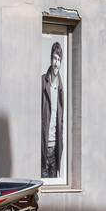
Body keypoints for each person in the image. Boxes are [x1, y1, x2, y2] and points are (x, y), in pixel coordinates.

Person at [41, 41, 65, 179]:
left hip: (55, 149)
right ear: (51, 59)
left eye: (59, 60)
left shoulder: (61, 88)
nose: (56, 63)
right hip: (43, 149)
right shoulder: (42, 83)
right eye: (55, 58)